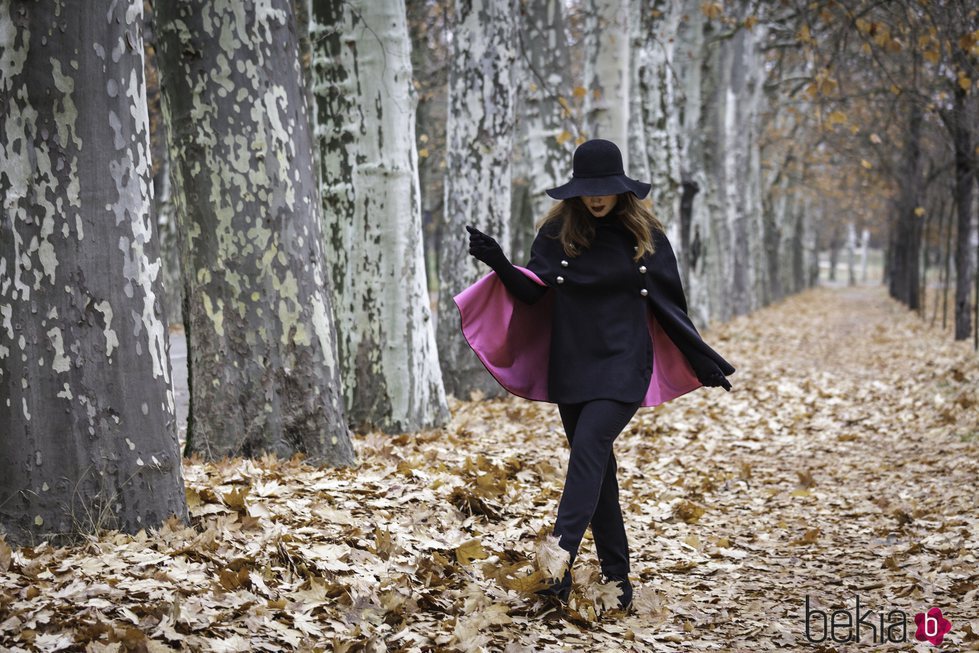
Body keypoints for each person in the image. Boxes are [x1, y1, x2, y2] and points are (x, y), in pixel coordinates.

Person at [455, 139, 735, 612]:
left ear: (621, 189)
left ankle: (556, 566)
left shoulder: (646, 237)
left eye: (604, 188)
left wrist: (702, 359)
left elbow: (670, 306)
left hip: (625, 362)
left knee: (588, 450)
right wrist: (499, 262)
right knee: (599, 470)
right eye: (588, 189)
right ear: (575, 191)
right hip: (572, 363)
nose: (596, 197)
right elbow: (532, 295)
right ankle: (618, 580)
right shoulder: (555, 235)